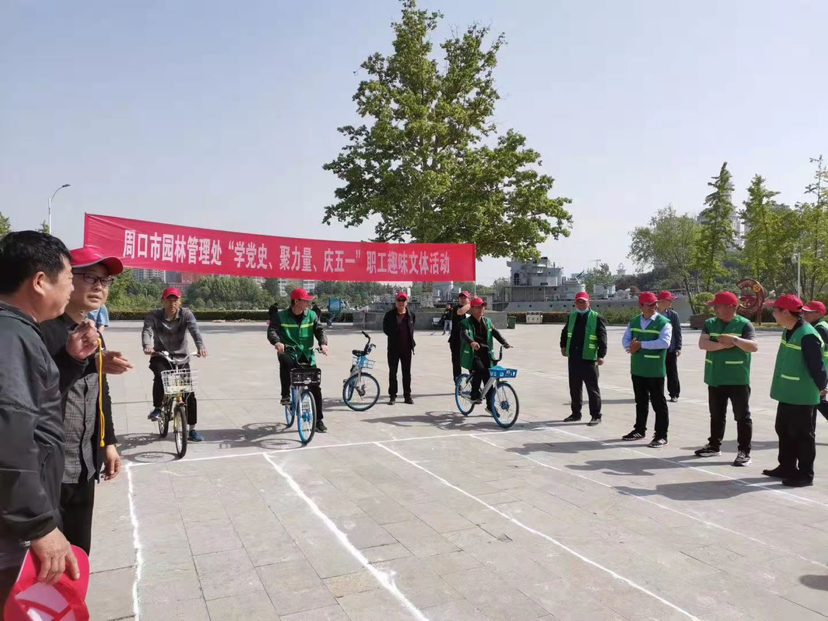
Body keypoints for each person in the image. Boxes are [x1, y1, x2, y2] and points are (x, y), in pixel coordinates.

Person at [0, 232, 99, 608]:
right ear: (40, 281)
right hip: (14, 532)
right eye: (70, 278)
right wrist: (39, 526)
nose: (72, 287)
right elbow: (10, 438)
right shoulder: (13, 337)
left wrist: (71, 361)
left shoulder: (16, 333)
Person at [41, 247, 132, 554]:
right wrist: (78, 360)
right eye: (90, 277)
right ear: (66, 278)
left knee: (80, 553)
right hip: (47, 469)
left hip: (84, 465)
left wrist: (108, 443)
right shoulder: (43, 330)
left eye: (105, 281)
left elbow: (100, 392)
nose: (99, 286)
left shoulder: (91, 333)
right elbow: (36, 396)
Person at [763, 295, 827, 487]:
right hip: (787, 391)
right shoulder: (789, 330)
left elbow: (817, 365)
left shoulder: (807, 335)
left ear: (785, 312)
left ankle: (805, 474)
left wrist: (822, 387)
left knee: (802, 435)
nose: (773, 313)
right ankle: (787, 467)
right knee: (783, 429)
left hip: (802, 393)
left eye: (775, 310)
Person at [694, 291, 758, 466]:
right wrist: (724, 345)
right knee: (716, 415)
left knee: (742, 417)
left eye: (717, 305)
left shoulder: (744, 324)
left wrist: (734, 340)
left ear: (730, 306)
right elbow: (703, 344)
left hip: (738, 379)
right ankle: (714, 446)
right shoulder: (710, 323)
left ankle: (744, 451)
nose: (714, 309)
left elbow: (753, 347)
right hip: (715, 377)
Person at [142, 287, 208, 442]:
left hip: (182, 357)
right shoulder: (154, 315)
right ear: (162, 301)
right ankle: (158, 408)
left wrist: (200, 346)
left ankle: (192, 429)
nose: (172, 303)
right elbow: (147, 331)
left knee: (189, 394)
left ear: (180, 301)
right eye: (169, 300)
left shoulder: (186, 314)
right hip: (161, 355)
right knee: (160, 377)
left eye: (175, 300)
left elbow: (195, 330)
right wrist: (147, 346)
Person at [267, 288, 329, 432]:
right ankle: (286, 395)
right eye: (306, 301)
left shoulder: (312, 315)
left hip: (307, 355)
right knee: (285, 361)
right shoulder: (280, 316)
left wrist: (323, 343)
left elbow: (319, 330)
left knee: (315, 387)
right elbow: (272, 331)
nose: (308, 303)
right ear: (296, 301)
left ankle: (318, 420)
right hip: (289, 352)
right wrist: (277, 342)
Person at [621, 291, 672, 447]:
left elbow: (665, 342)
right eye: (649, 305)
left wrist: (641, 345)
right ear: (640, 306)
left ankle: (661, 435)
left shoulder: (664, 322)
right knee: (640, 401)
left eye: (654, 304)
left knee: (658, 403)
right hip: (638, 368)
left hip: (655, 369)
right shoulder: (634, 321)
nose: (653, 307)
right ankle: (639, 429)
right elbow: (626, 339)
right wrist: (630, 346)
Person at [560, 291, 607, 426]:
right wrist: (563, 346)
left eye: (583, 302)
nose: (581, 304)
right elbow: (565, 332)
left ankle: (596, 415)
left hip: (589, 358)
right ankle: (576, 413)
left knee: (592, 388)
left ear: (588, 302)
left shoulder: (596, 317)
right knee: (574, 387)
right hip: (574, 357)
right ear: (575, 303)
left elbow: (602, 337)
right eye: (578, 302)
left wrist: (601, 355)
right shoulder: (572, 316)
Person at [459, 297, 511, 406]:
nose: (481, 309)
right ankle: (474, 394)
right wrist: (472, 342)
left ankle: (490, 406)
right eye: (478, 307)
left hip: (486, 354)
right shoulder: (465, 322)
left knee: (488, 378)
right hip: (473, 354)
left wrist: (504, 343)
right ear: (472, 308)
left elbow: (495, 332)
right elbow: (464, 334)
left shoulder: (487, 321)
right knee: (480, 370)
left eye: (483, 307)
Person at [383, 291, 416, 405]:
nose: (401, 302)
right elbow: (385, 329)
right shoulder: (389, 315)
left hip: (407, 349)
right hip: (393, 349)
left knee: (406, 373)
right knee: (393, 373)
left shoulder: (411, 315)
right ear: (396, 302)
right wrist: (394, 335)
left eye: (403, 300)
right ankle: (392, 396)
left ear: (407, 302)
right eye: (399, 300)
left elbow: (411, 329)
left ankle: (407, 395)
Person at [804, 300, 828, 424]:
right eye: (804, 311)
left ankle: (809, 432)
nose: (805, 314)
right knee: (816, 402)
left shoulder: (819, 328)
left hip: (821, 371)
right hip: (822, 370)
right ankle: (809, 432)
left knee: (816, 401)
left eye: (809, 312)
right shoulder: (821, 325)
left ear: (819, 313)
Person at [657, 291, 683, 402]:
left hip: (670, 349)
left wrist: (678, 347)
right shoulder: (653, 314)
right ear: (661, 301)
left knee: (672, 372)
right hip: (656, 349)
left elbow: (677, 332)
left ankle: (674, 394)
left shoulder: (673, 315)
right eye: (669, 300)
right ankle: (656, 393)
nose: (671, 302)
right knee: (656, 373)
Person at [448, 291, 472, 381]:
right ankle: (458, 383)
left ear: (468, 299)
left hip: (469, 340)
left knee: (472, 362)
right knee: (457, 363)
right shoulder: (456, 308)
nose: (462, 299)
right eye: (461, 298)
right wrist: (471, 303)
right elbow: (461, 312)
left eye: (464, 298)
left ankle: (474, 383)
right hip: (456, 340)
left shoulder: (472, 310)